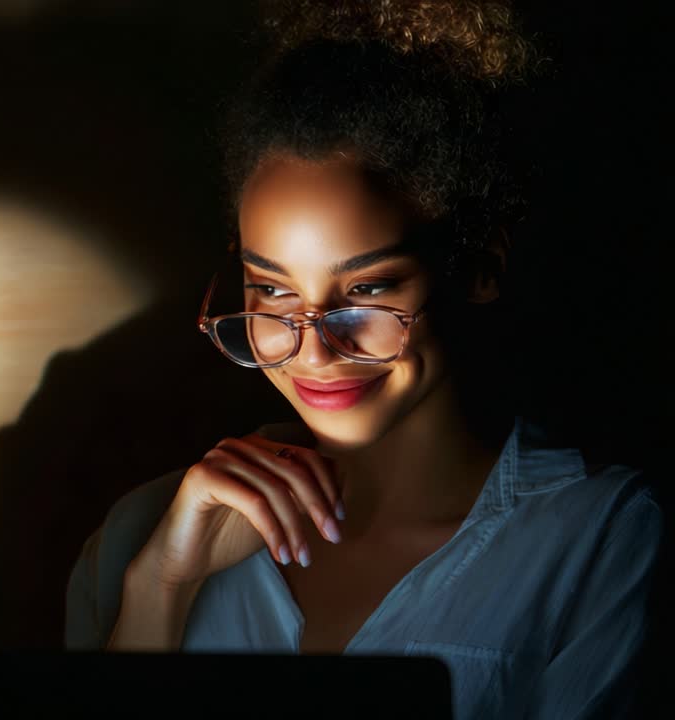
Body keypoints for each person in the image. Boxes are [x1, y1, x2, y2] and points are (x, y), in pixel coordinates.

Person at [63, 3, 663, 719]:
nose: (315, 350)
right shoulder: (146, 534)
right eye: (273, 291)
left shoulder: (598, 538)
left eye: (369, 290)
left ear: (479, 266)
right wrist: (158, 587)